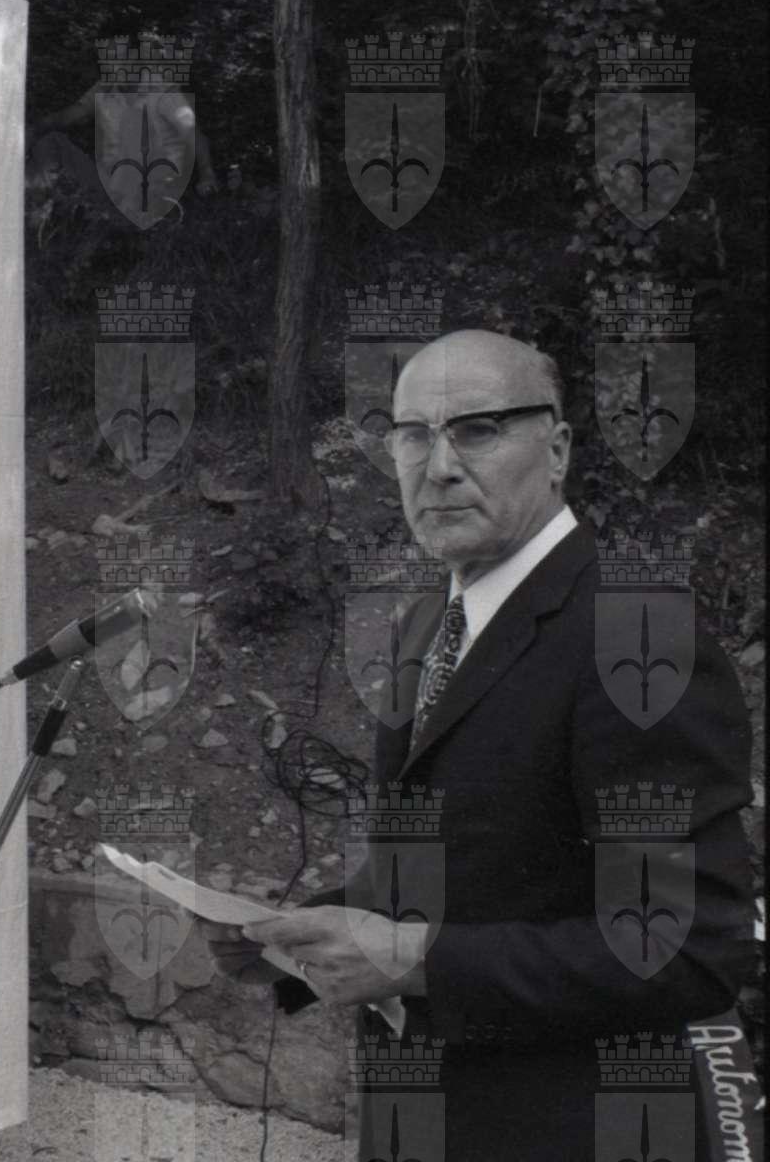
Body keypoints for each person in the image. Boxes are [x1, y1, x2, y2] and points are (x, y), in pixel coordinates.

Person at [205, 330, 755, 1158]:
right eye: (412, 435)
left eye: (477, 430)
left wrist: (414, 961)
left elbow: (692, 947)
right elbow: (453, 865)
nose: (438, 467)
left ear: (557, 448)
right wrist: (295, 936)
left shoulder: (638, 640)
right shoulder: (433, 623)